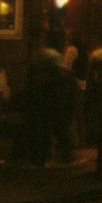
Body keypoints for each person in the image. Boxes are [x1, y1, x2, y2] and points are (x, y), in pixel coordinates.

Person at [25, 29, 76, 167]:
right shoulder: (54, 56)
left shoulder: (38, 54)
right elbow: (60, 75)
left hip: (38, 95)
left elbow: (31, 73)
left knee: (42, 128)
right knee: (60, 127)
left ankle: (39, 158)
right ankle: (65, 156)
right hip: (53, 96)